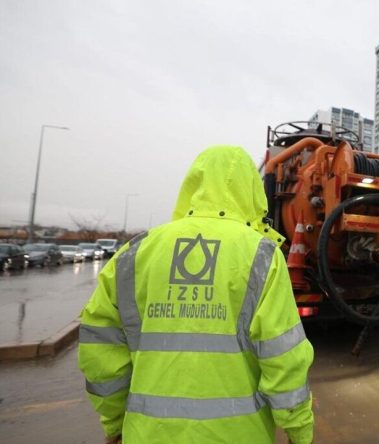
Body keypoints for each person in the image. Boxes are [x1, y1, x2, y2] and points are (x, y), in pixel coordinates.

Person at [78, 146, 314, 444]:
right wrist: (299, 431)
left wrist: (113, 422)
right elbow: (283, 358)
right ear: (253, 191)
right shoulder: (261, 256)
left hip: (148, 434)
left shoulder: (134, 254)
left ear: (193, 185)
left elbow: (100, 353)